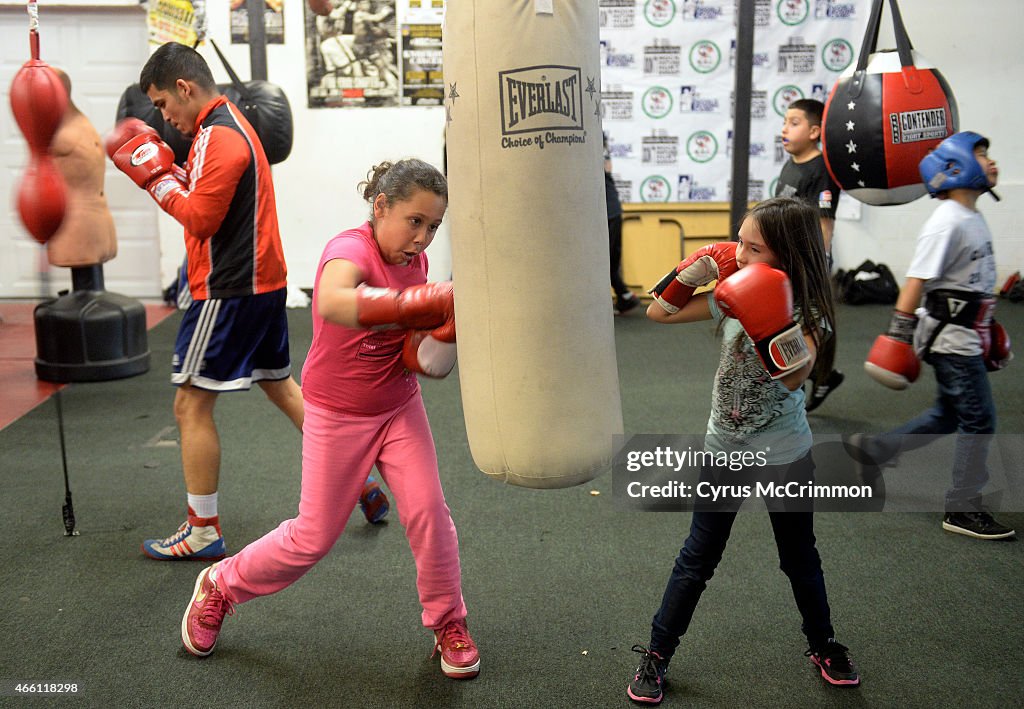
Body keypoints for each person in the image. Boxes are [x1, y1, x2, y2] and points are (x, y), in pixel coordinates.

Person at [179, 158, 480, 679]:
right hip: (337, 414)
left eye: (434, 227)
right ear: (380, 206)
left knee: (430, 514)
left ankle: (448, 623)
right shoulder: (349, 250)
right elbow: (336, 303)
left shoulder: (415, 263)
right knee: (311, 538)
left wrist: (435, 340)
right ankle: (220, 585)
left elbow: (414, 343)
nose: (424, 238)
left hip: (398, 407)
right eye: (415, 222)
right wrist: (418, 304)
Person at [106, 42, 388, 562]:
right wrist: (174, 172)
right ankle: (364, 482)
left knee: (189, 403)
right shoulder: (233, 122)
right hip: (263, 285)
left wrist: (155, 178)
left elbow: (200, 218)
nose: (164, 118)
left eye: (164, 105)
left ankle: (203, 530)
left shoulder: (220, 136)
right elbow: (212, 198)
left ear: (184, 88)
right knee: (281, 387)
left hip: (229, 290)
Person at [632, 197, 858, 704]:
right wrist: (699, 269)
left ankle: (824, 645)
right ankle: (657, 653)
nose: (740, 252)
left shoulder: (810, 311)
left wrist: (769, 316)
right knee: (697, 558)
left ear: (786, 255)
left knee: (799, 557)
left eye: (752, 247)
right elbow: (658, 312)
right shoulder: (735, 291)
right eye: (739, 241)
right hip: (724, 449)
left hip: (785, 453)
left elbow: (796, 374)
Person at [854, 131, 1015, 541]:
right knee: (979, 420)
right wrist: (898, 337)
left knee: (949, 415)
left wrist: (987, 326)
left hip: (966, 334)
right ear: (956, 166)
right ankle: (961, 506)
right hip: (950, 340)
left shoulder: (970, 216)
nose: (992, 162)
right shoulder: (945, 222)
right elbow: (915, 281)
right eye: (982, 154)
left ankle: (877, 449)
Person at [775, 98, 844, 412]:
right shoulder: (791, 163)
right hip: (784, 260)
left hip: (806, 263)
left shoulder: (822, 169)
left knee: (807, 325)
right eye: (785, 122)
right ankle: (821, 374)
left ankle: (812, 378)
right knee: (787, 322)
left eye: (794, 123)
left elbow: (824, 222)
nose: (785, 129)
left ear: (815, 131)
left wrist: (819, 263)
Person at [47, 68, 117, 270]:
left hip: (78, 225)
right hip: (98, 221)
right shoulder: (81, 120)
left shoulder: (61, 133)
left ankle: (86, 300)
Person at [605, 132, 638, 314]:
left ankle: (624, 295)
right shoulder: (601, 152)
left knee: (604, 261)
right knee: (608, 261)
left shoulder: (594, 151)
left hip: (608, 212)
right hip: (611, 211)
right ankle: (624, 295)